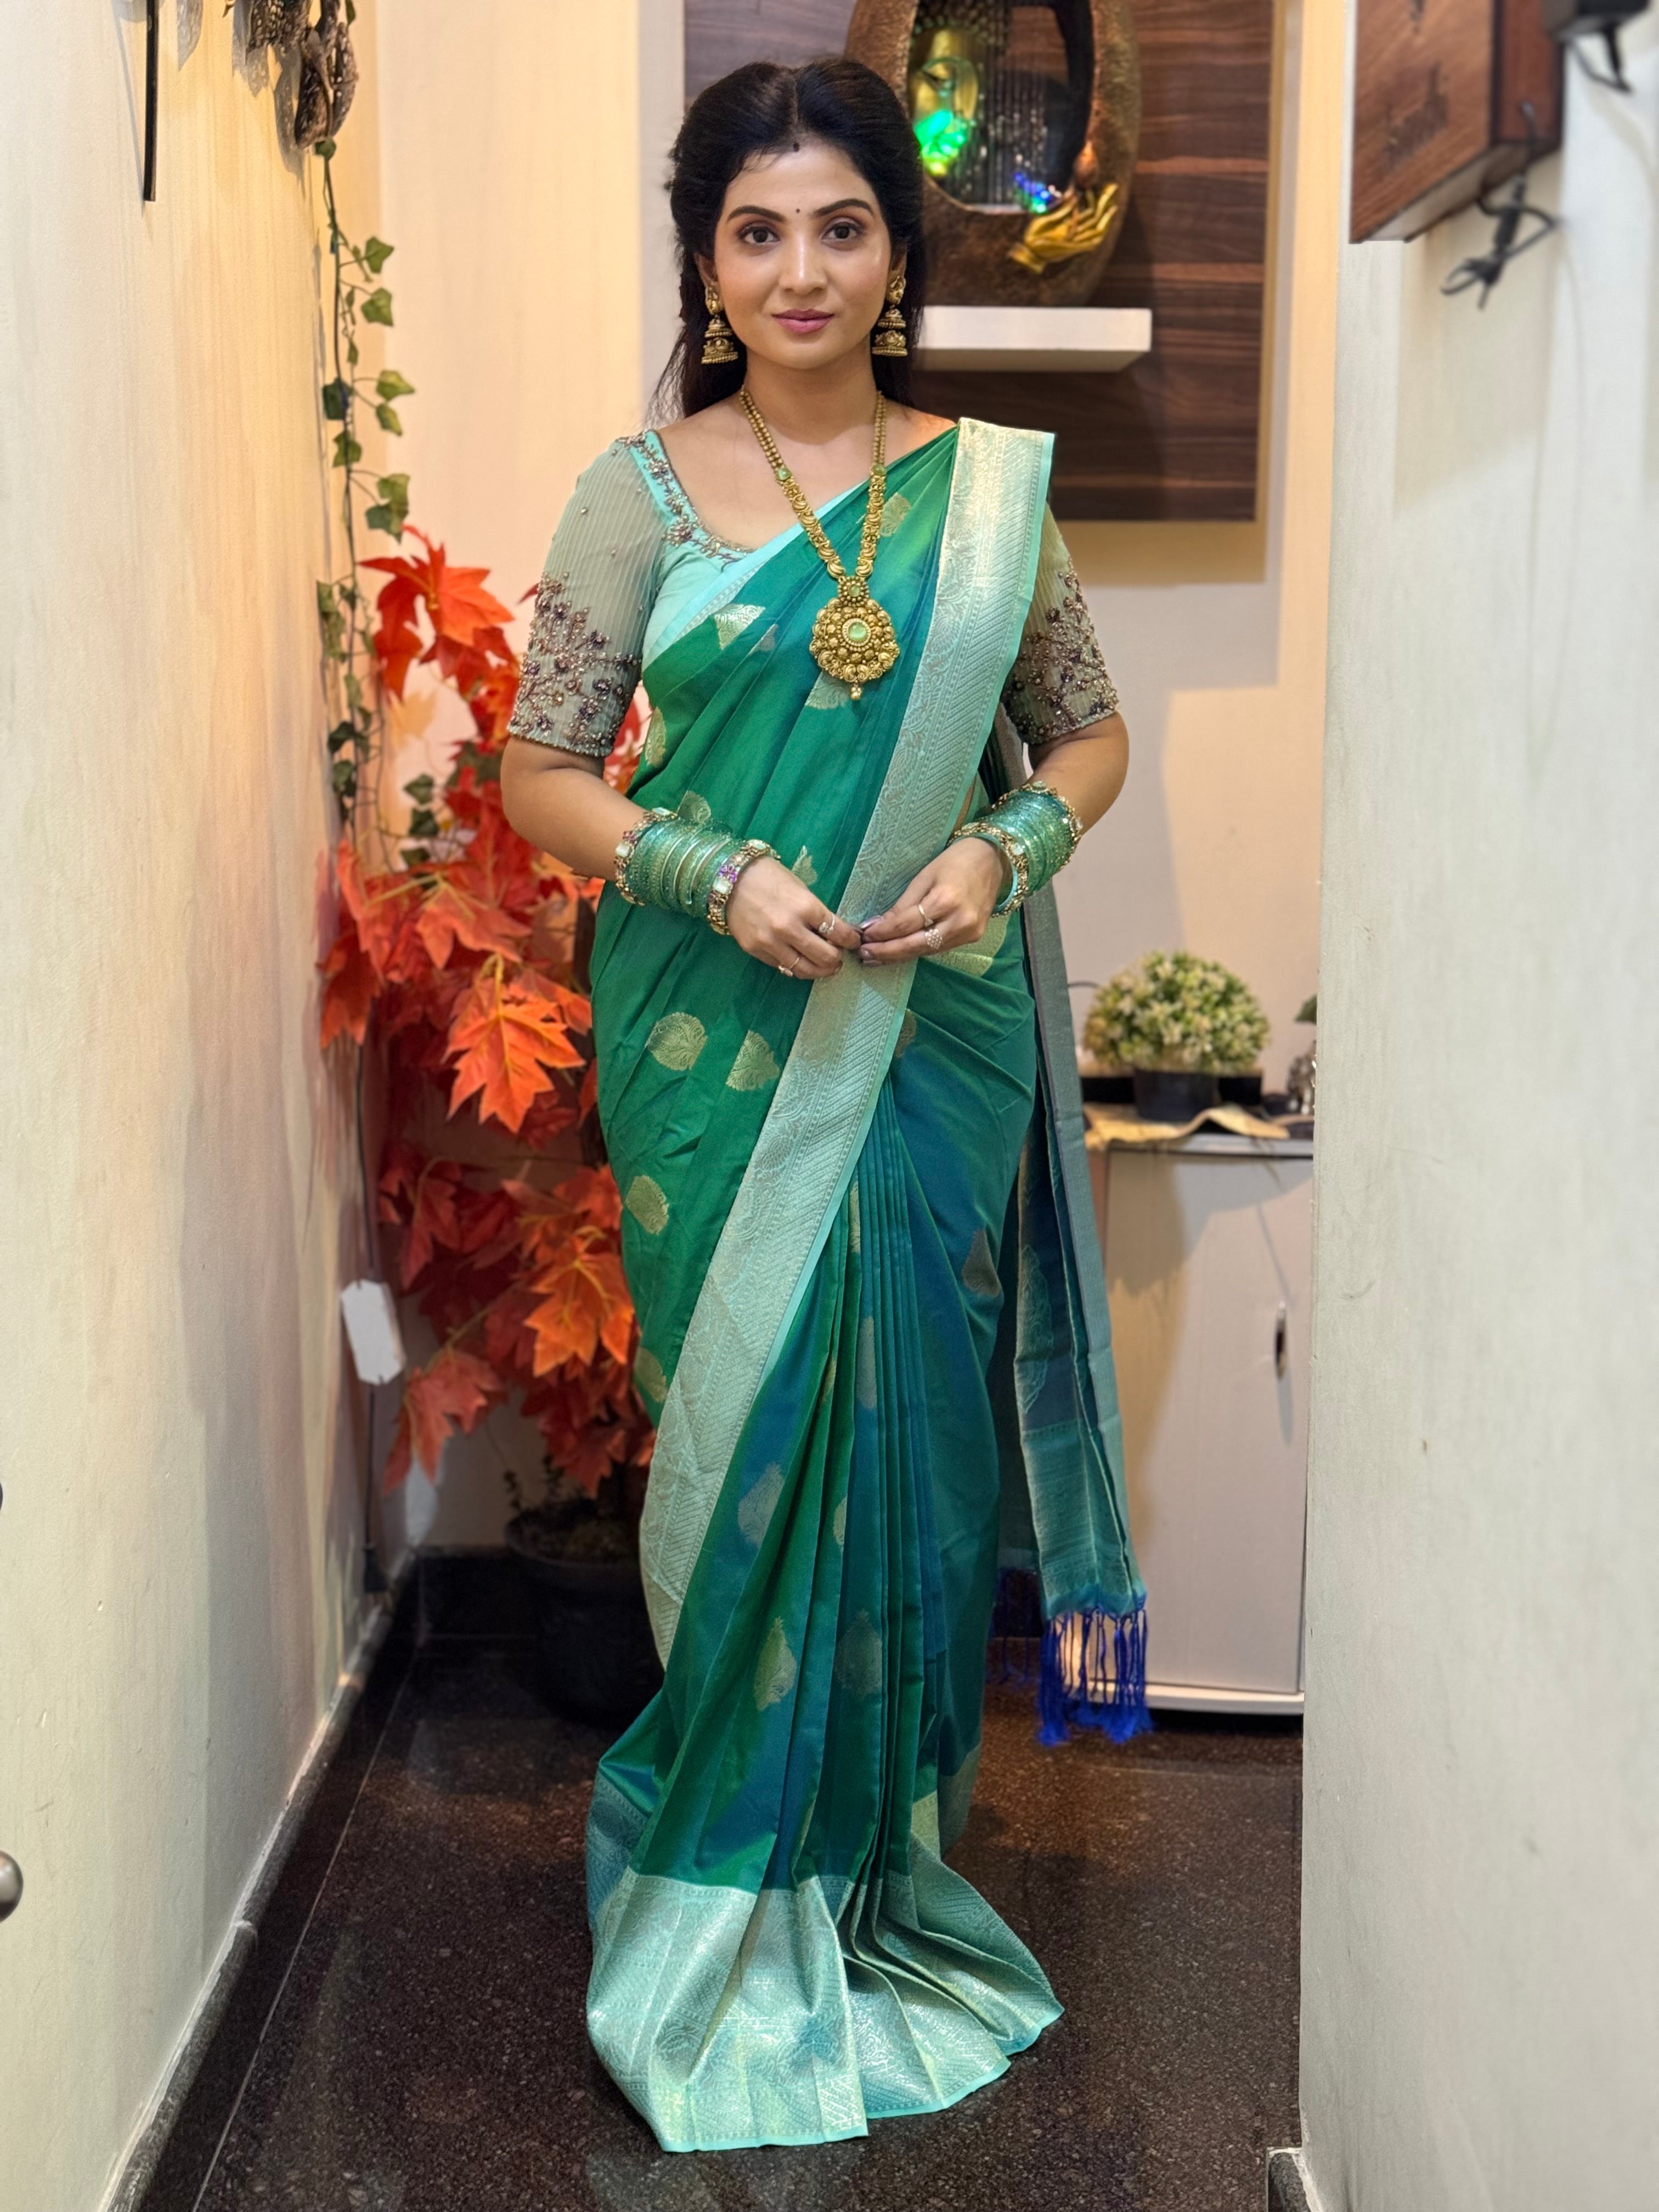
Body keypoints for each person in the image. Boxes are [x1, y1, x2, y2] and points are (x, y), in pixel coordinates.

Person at [499, 55, 1145, 2154]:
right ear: (706, 260)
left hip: (928, 1043)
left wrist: (1004, 854)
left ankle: (879, 1869)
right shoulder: (638, 495)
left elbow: (1087, 739)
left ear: (897, 253)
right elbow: (543, 775)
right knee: (749, 1442)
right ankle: (730, 1878)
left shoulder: (988, 493)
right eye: (757, 230)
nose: (801, 270)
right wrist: (710, 871)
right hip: (720, 1042)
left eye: (842, 227)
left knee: (918, 1463)